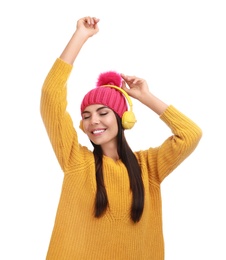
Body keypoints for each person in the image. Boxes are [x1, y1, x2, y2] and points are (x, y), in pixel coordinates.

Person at [40, 16, 202, 260]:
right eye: (86, 116)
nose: (93, 120)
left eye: (103, 113)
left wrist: (146, 97)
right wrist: (80, 36)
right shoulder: (76, 161)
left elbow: (190, 134)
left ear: (123, 119)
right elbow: (51, 95)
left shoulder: (149, 168)